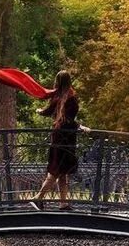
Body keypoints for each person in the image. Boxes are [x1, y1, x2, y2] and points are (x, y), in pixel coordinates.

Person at [32, 71, 88, 210]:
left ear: (58, 81)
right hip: (66, 138)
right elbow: (68, 119)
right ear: (69, 81)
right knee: (56, 171)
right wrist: (79, 126)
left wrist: (39, 111)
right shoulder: (71, 97)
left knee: (62, 172)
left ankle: (63, 203)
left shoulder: (57, 96)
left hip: (57, 136)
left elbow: (49, 111)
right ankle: (38, 198)